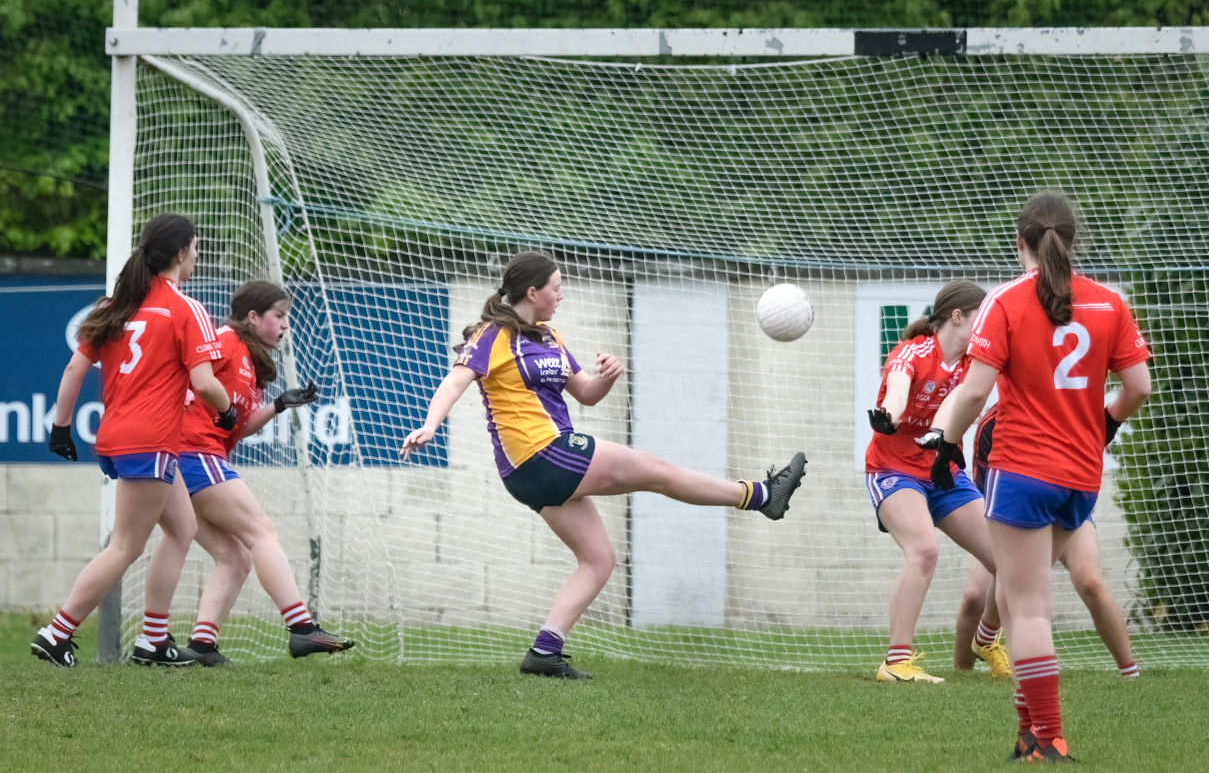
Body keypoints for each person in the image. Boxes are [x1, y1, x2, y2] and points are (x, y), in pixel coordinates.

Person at [402, 251, 807, 679]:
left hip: (534, 471)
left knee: (598, 559)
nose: (562, 294)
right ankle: (761, 496)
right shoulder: (493, 333)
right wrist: (430, 425)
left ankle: (544, 652)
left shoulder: (550, 337)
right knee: (656, 470)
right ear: (533, 291)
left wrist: (609, 376)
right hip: (543, 453)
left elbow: (586, 394)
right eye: (556, 287)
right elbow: (455, 379)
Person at [927, 190, 1151, 762]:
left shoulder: (1006, 303)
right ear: (1072, 240)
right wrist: (1101, 426)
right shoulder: (1109, 304)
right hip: (1081, 474)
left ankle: (1047, 737)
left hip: (1023, 469)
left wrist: (945, 443)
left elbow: (975, 391)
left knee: (1026, 608)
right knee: (1023, 597)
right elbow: (1139, 389)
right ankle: (1029, 732)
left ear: (1019, 241)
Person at [34, 214, 236, 667]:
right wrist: (227, 411)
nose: (198, 257)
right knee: (125, 546)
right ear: (181, 253)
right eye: (196, 248)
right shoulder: (185, 309)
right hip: (153, 441)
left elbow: (73, 371)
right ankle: (57, 633)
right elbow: (204, 383)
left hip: (118, 437)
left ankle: (153, 641)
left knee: (182, 529)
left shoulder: (115, 305)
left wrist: (60, 427)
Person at [173, 280, 355, 664]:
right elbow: (192, 381)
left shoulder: (247, 358)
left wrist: (279, 405)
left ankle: (202, 647)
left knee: (234, 556)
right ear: (253, 317)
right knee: (263, 533)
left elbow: (237, 425)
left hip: (193, 459)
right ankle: (302, 629)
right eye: (280, 315)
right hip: (192, 454)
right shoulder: (222, 340)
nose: (286, 324)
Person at [865, 280, 1008, 684]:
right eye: (982, 318)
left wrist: (940, 436)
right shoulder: (913, 352)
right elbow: (896, 390)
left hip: (942, 472)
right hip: (893, 471)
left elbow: (955, 403)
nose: (988, 328)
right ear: (957, 317)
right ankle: (896, 663)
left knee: (1010, 559)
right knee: (924, 551)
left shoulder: (974, 363)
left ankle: (986, 638)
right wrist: (889, 416)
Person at [952, 403, 1139, 677]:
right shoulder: (992, 424)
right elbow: (986, 490)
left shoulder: (1075, 409)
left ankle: (1130, 671)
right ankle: (963, 674)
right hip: (1014, 514)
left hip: (1065, 506)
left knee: (1090, 580)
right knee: (974, 596)